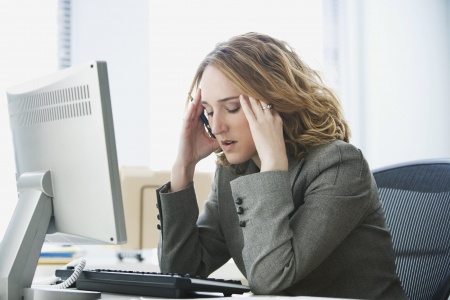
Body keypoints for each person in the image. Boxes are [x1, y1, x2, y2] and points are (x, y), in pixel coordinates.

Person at [155, 32, 407, 299]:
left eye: (231, 108)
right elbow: (179, 271)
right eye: (208, 112)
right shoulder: (232, 172)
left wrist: (273, 166)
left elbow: (270, 278)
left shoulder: (340, 166)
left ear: (273, 103)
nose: (217, 127)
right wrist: (183, 168)